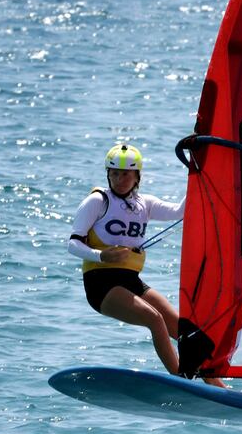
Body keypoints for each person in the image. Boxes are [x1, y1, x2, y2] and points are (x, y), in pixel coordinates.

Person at [68, 143, 186, 375]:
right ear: (108, 174)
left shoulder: (145, 204)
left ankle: (220, 389)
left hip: (131, 280)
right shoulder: (98, 201)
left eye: (125, 174)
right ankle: (181, 378)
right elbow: (72, 244)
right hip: (101, 284)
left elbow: (180, 212)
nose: (119, 179)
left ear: (137, 177)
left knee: (183, 330)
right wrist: (101, 255)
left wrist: (199, 170)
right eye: (114, 173)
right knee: (155, 319)